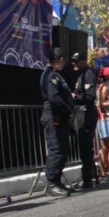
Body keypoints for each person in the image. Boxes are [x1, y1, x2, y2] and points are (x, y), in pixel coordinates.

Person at [40, 48, 75, 196]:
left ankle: (57, 181)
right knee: (56, 148)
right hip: (54, 115)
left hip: (60, 116)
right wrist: (68, 107)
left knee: (63, 149)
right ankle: (51, 183)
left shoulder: (56, 75)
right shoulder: (51, 75)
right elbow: (54, 98)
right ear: (60, 59)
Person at [71, 53, 99, 189]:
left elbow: (90, 95)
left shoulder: (88, 74)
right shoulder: (81, 75)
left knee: (86, 148)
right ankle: (89, 175)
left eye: (76, 61)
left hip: (86, 113)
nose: (74, 64)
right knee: (84, 148)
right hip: (81, 113)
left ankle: (87, 179)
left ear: (83, 61)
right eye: (72, 61)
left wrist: (75, 96)